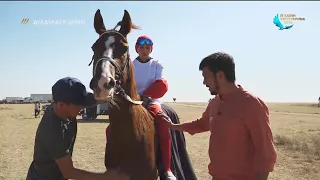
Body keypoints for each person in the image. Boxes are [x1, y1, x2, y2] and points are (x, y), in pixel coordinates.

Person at [162, 52, 277, 180]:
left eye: (206, 76)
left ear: (220, 75)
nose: (204, 82)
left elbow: (265, 151)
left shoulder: (252, 104)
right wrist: (173, 126)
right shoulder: (215, 102)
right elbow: (202, 124)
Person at [26, 77, 130, 180]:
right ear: (61, 105)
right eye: (78, 105)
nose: (82, 108)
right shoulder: (53, 131)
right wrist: (108, 177)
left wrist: (113, 91)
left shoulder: (63, 104)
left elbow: (96, 99)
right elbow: (69, 172)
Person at [105, 35, 176, 180]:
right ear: (137, 49)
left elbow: (161, 84)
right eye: (142, 47)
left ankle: (166, 169)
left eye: (147, 48)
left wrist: (145, 95)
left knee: (163, 125)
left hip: (152, 101)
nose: (145, 50)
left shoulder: (157, 64)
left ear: (151, 49)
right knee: (110, 130)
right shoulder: (130, 64)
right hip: (132, 101)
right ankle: (112, 164)